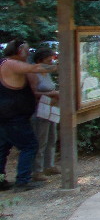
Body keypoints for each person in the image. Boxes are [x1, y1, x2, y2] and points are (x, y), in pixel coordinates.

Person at [1, 39, 58, 191]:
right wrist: (56, 66)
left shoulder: (4, 63)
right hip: (12, 115)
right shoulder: (12, 64)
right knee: (30, 145)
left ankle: (1, 180)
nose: (28, 53)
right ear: (19, 51)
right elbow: (36, 68)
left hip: (8, 114)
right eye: (26, 50)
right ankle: (23, 181)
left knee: (3, 148)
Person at [27, 47, 60, 180]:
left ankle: (49, 165)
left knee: (52, 137)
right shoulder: (34, 73)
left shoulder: (47, 72)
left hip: (51, 108)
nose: (52, 62)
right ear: (41, 60)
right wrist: (52, 93)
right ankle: (37, 170)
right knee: (41, 140)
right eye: (49, 59)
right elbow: (33, 93)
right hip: (40, 110)